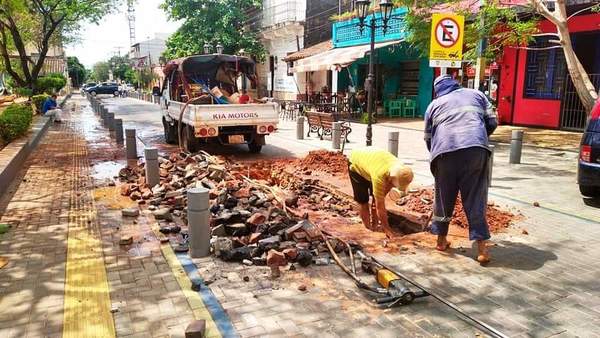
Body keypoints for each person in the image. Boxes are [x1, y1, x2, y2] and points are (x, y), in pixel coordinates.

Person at [424, 75, 498, 264]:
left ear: (438, 90)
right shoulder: (477, 95)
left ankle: (440, 241)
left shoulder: (433, 105)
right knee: (475, 198)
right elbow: (492, 122)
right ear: (456, 83)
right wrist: (478, 138)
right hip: (475, 151)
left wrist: (438, 155)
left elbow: (428, 138)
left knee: (443, 198)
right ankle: (482, 250)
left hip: (444, 154)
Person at [348, 147, 414, 238]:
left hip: (373, 163)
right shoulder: (379, 176)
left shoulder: (401, 169)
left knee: (377, 200)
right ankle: (368, 228)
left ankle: (375, 225)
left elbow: (380, 198)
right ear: (392, 178)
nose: (393, 186)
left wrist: (379, 199)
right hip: (356, 163)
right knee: (363, 201)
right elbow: (380, 207)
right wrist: (387, 230)